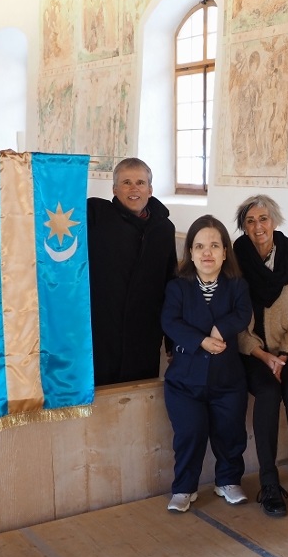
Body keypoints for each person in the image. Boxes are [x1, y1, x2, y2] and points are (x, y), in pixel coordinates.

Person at [234, 195, 288, 517]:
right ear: (244, 227)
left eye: (264, 219)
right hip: (254, 352)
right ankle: (268, 483)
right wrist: (261, 354)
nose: (258, 227)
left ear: (274, 221)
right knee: (268, 394)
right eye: (251, 221)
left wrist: (283, 355)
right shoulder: (236, 260)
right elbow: (235, 319)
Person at [161, 215, 253, 513]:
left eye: (214, 245)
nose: (207, 252)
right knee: (190, 434)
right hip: (185, 383)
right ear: (190, 252)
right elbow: (169, 321)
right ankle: (184, 488)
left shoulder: (237, 285)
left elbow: (242, 313)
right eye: (200, 246)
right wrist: (200, 340)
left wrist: (219, 329)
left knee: (230, 432)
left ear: (225, 251)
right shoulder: (178, 287)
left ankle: (228, 480)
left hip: (228, 381)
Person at [86, 158, 177, 386]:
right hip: (103, 329)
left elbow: (171, 283)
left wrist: (172, 341)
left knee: (138, 393)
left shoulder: (165, 229)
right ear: (115, 189)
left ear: (150, 189)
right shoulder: (96, 217)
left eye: (140, 182)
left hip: (144, 330)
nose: (134, 188)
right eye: (126, 182)